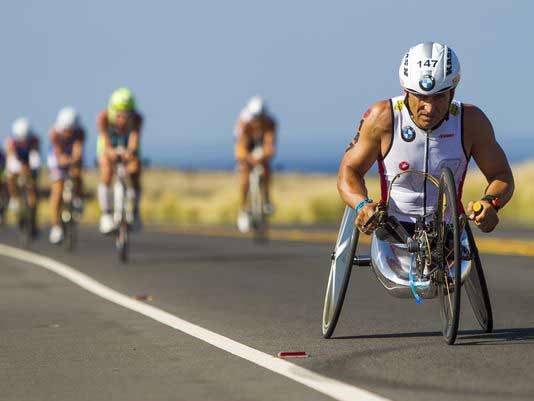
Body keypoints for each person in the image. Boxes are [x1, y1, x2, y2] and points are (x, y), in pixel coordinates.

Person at [338, 42, 514, 235]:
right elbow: (350, 170)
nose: (429, 108)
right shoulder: (382, 117)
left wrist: (491, 203)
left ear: (452, 91)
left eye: (439, 97)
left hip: (448, 232)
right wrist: (361, 204)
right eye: (421, 97)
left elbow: (501, 175)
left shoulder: (471, 121)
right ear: (405, 91)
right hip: (393, 230)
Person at [97, 87, 143, 234]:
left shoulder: (137, 119)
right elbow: (105, 141)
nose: (123, 118)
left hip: (127, 147)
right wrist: (110, 152)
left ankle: (134, 211)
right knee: (107, 171)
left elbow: (134, 139)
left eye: (127, 114)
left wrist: (130, 153)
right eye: (119, 114)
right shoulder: (103, 117)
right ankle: (106, 214)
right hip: (107, 146)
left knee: (135, 170)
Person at [234, 96, 276, 233]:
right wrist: (248, 158)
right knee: (245, 171)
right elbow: (240, 148)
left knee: (266, 167)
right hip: (247, 146)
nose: (257, 121)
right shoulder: (243, 122)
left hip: (260, 146)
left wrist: (264, 156)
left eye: (260, 117)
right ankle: (244, 206)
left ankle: (266, 199)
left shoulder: (270, 122)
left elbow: (270, 145)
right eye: (255, 117)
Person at [47, 107, 85, 244]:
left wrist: (74, 160)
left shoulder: (80, 132)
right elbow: (57, 153)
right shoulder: (54, 133)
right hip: (56, 157)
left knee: (77, 174)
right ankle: (55, 226)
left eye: (71, 131)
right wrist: (62, 160)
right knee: (57, 188)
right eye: (65, 130)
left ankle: (79, 199)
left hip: (71, 155)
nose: (68, 133)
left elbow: (78, 149)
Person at [5, 117, 41, 235]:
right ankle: (14, 197)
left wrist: (30, 171)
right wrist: (18, 170)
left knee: (33, 193)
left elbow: (35, 158)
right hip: (17, 162)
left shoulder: (35, 140)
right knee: (10, 177)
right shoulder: (11, 141)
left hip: (30, 163)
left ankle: (33, 221)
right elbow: (11, 159)